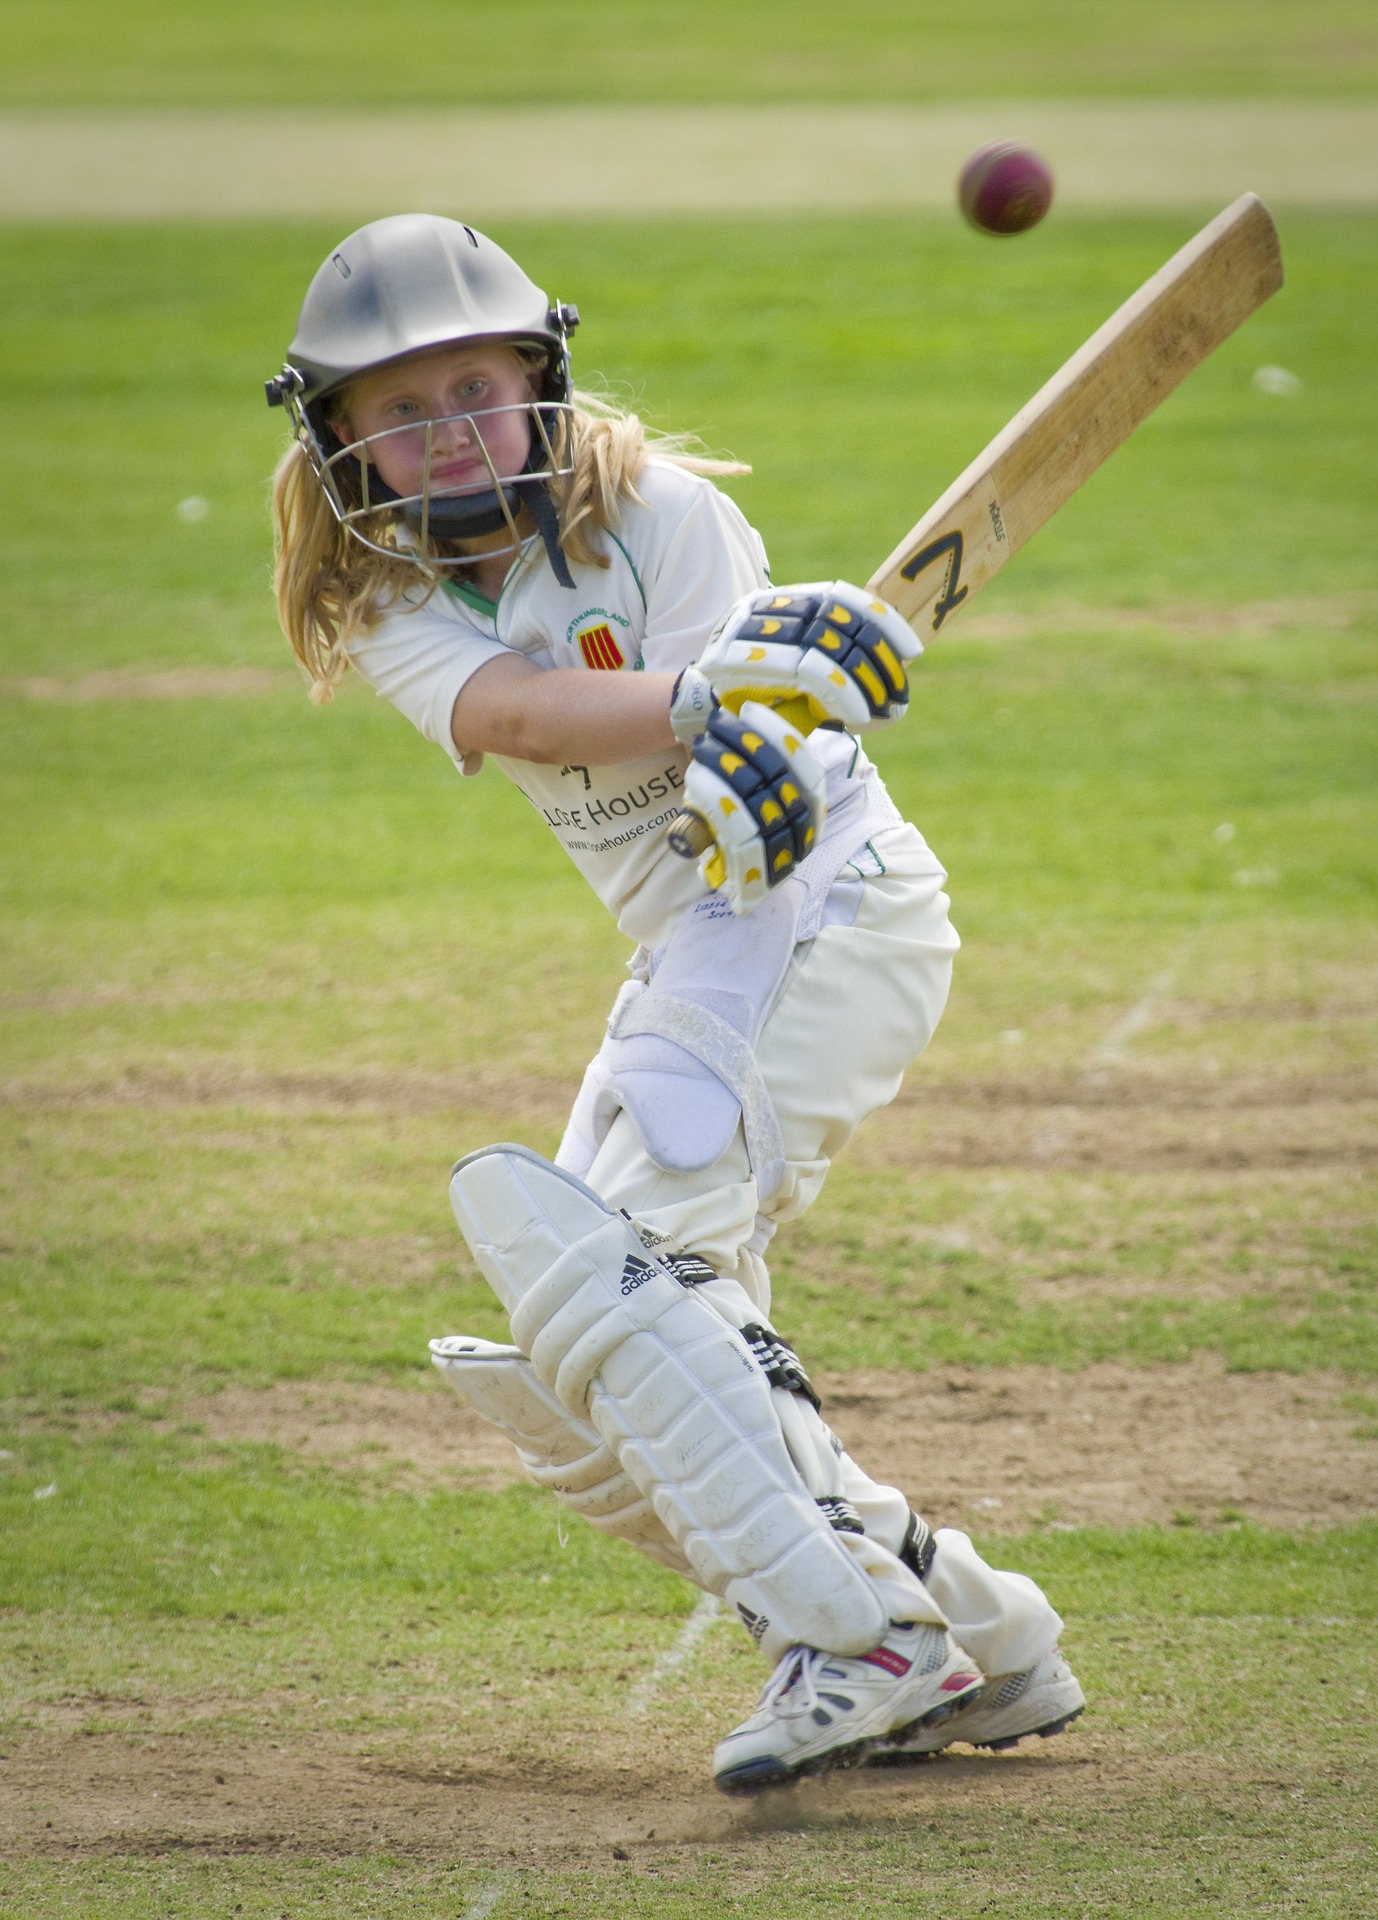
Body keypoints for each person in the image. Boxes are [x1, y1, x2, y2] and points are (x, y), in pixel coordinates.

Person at [267, 213, 1084, 1792]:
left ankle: (859, 1643)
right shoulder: (384, 600)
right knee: (584, 1342)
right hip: (699, 943)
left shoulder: (662, 514)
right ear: (340, 437)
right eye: (398, 408)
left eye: (472, 388)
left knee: (629, 1287)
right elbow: (521, 711)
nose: (444, 429)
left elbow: (768, 755)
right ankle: (976, 1641)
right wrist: (708, 704)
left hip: (827, 912)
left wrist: (770, 727)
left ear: (542, 379)